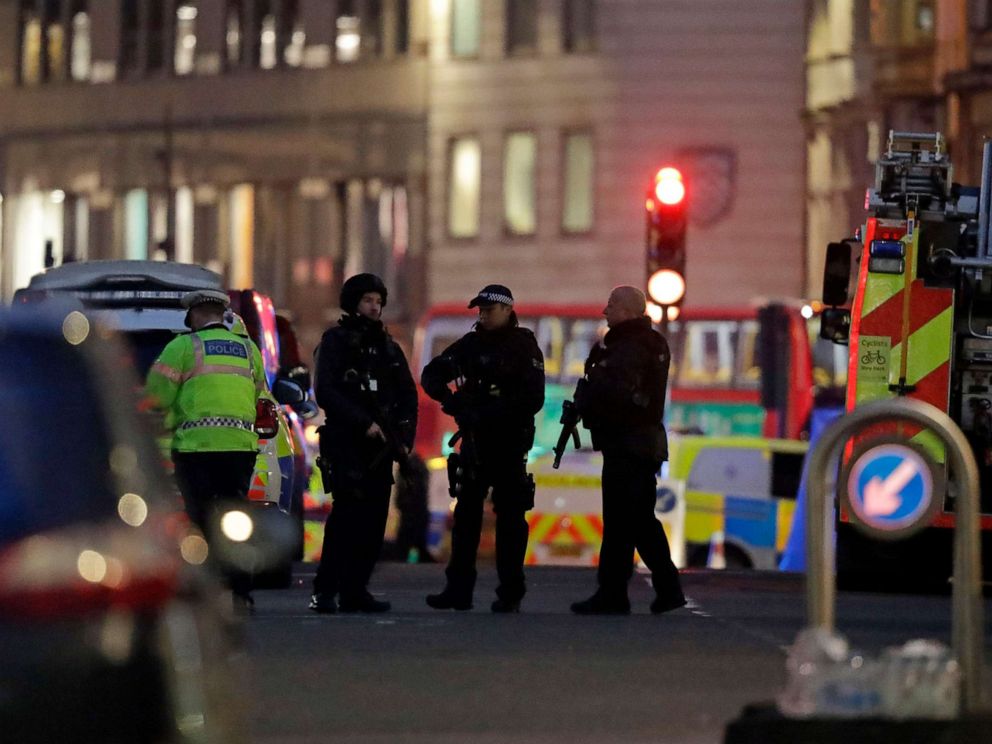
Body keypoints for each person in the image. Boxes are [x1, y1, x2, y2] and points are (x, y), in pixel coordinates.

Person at [422, 285, 545, 613]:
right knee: (465, 519)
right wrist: (452, 402)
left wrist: (486, 411)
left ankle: (510, 592)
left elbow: (532, 399)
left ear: (507, 310)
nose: (483, 315)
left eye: (490, 309)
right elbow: (432, 375)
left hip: (508, 443)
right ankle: (458, 590)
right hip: (476, 445)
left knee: (510, 520)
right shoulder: (471, 345)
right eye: (481, 310)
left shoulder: (523, 346)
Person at [145, 289, 266, 611]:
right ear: (221, 314)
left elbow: (156, 398)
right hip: (239, 448)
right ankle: (240, 591)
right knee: (236, 518)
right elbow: (257, 395)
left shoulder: (182, 347)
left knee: (197, 519)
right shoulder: (248, 349)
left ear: (195, 315)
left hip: (196, 449)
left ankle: (199, 590)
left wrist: (169, 423)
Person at [571, 286, 686, 615]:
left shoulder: (629, 346)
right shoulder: (640, 344)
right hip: (633, 445)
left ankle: (652, 589)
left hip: (629, 445)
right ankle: (619, 593)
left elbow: (614, 393)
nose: (604, 312)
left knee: (631, 521)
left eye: (611, 306)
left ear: (627, 310)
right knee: (627, 522)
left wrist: (588, 403)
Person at [309, 273, 418, 614]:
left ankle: (356, 590)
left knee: (373, 521)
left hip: (380, 449)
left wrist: (404, 438)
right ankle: (326, 590)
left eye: (378, 302)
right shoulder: (336, 341)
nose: (374, 307)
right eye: (368, 300)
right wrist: (363, 422)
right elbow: (325, 390)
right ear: (354, 302)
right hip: (346, 444)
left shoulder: (388, 348)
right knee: (345, 519)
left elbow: (407, 395)